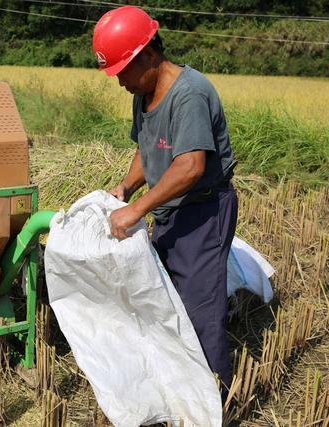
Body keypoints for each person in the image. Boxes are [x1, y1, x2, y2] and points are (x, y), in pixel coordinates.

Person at [93, 5, 238, 391]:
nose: (120, 81)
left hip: (203, 210)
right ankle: (178, 383)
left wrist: (136, 209)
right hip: (171, 209)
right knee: (165, 295)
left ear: (149, 55)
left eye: (123, 69)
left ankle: (212, 396)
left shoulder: (189, 94)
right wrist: (126, 188)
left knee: (199, 305)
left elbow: (190, 166)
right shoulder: (143, 92)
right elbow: (148, 147)